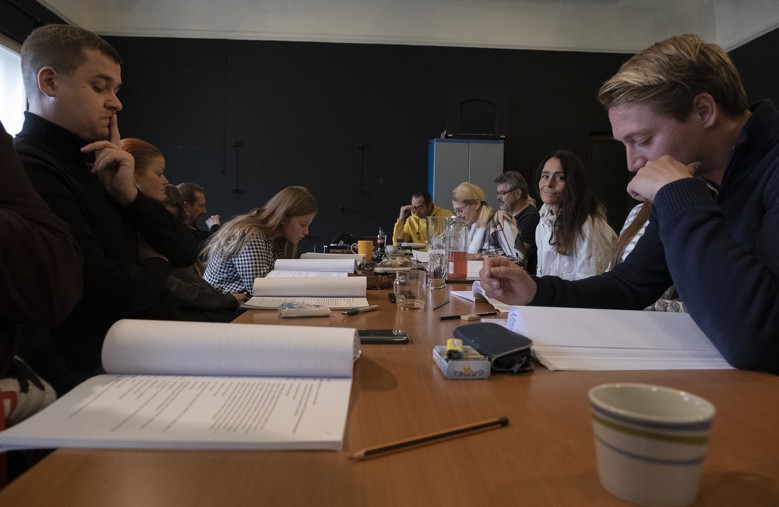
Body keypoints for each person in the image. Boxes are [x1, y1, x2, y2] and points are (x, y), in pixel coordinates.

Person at [479, 34, 779, 374]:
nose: (633, 163)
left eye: (643, 140)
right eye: (625, 144)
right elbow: (630, 286)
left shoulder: (691, 184)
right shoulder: (689, 180)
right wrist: (536, 292)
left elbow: (759, 338)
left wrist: (679, 193)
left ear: (704, 111)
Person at [14, 24, 198, 392]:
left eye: (115, 90)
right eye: (100, 87)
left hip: (143, 355)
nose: (116, 103)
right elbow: (104, 290)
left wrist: (131, 196)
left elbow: (184, 250)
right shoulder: (31, 168)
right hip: (98, 376)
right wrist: (156, 264)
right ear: (49, 82)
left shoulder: (98, 167)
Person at [125, 140, 248, 322]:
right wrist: (227, 301)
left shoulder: (155, 222)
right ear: (134, 178)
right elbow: (172, 285)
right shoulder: (136, 227)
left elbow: (187, 257)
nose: (166, 181)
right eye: (159, 173)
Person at [202, 186, 317, 295]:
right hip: (218, 304)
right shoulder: (252, 235)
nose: (306, 231)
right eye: (303, 225)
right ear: (283, 219)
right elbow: (259, 289)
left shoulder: (279, 239)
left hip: (237, 302)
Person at [534, 150, 616, 279]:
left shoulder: (588, 224)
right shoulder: (542, 224)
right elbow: (542, 274)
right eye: (545, 176)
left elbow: (591, 283)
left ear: (573, 183)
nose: (549, 184)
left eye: (560, 177)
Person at [451, 181, 525, 264]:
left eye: (460, 210)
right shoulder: (472, 226)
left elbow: (518, 260)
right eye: (456, 211)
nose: (458, 215)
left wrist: (478, 257)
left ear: (476, 204)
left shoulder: (499, 219)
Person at [495, 171, 539, 272]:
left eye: (503, 193)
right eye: (498, 193)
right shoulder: (506, 216)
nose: (498, 197)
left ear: (517, 193)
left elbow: (516, 254)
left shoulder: (530, 218)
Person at [178, 182, 221, 249]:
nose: (205, 211)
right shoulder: (180, 236)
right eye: (201, 206)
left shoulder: (199, 235)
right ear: (186, 206)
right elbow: (217, 251)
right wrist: (215, 228)